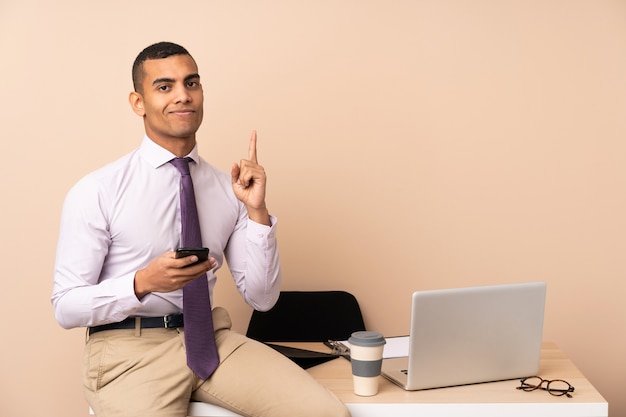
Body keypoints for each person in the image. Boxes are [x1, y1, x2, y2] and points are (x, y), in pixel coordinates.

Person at [51, 41, 350, 417]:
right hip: (129, 349)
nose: (182, 96)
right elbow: (66, 306)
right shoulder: (98, 190)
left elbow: (262, 298)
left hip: (211, 340)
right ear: (138, 102)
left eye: (191, 84)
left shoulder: (228, 189)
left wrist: (256, 210)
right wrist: (143, 281)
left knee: (326, 414)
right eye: (165, 87)